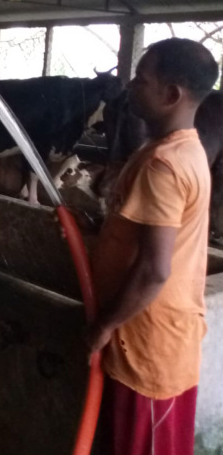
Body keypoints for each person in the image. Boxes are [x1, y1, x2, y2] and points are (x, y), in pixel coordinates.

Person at [86, 38, 219, 455]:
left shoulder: (163, 164)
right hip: (155, 335)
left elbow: (155, 269)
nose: (130, 86)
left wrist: (104, 324)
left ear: (172, 94)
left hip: (148, 344)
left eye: (141, 79)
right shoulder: (180, 150)